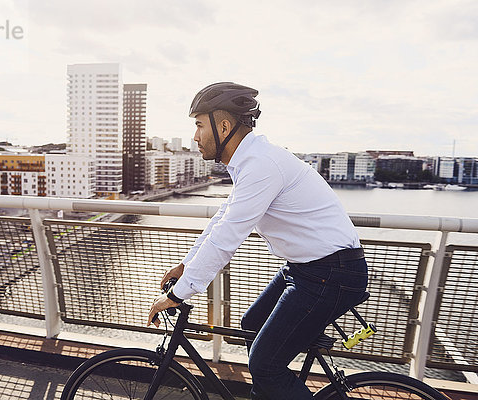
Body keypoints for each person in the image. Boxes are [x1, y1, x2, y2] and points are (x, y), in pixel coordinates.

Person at [148, 82, 368, 399]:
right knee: (252, 324)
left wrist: (179, 294)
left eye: (198, 125)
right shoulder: (252, 162)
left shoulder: (262, 165)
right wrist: (186, 266)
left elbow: (228, 237)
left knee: (265, 366)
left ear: (223, 126)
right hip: (310, 269)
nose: (195, 136)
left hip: (329, 275)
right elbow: (222, 220)